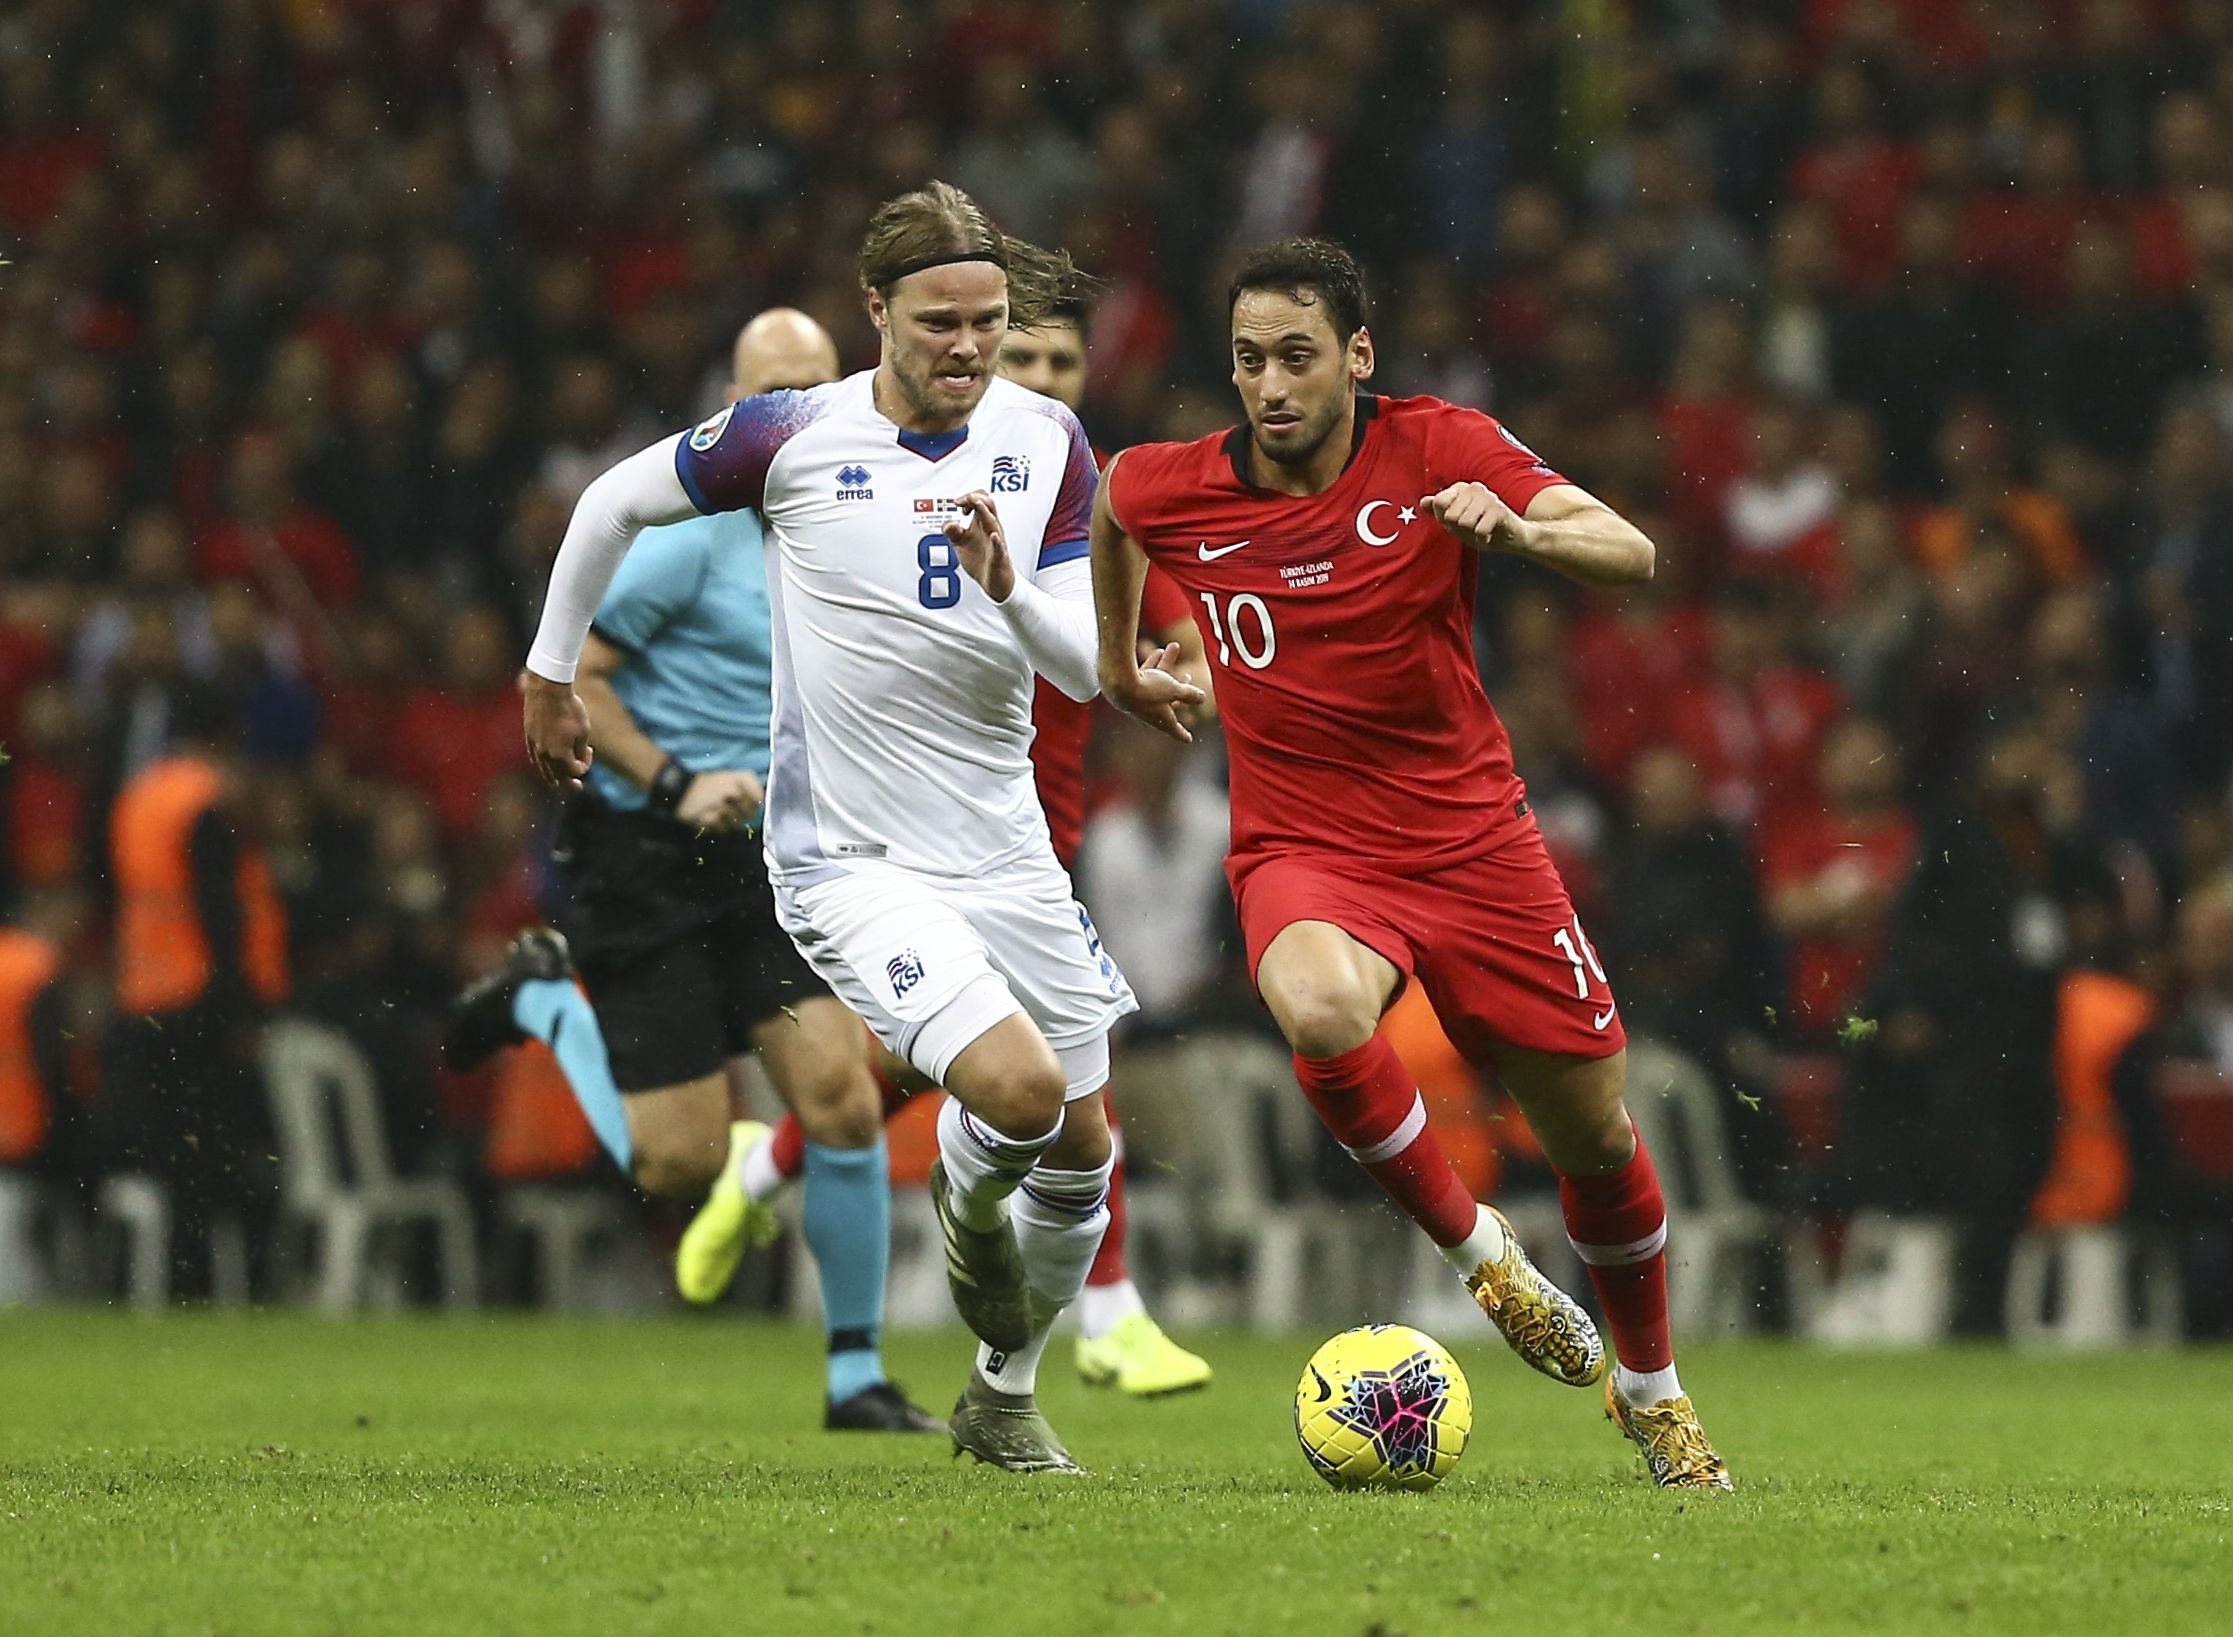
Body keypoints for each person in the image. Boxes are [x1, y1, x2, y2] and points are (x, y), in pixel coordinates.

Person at [521, 181, 1201, 1473]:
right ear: (876, 310)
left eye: (988, 322)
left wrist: (1035, 607)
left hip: (1004, 849)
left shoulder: (1049, 439)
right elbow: (610, 501)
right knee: (1017, 1092)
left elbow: (1070, 659)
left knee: (1083, 1147)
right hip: (849, 858)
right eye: (941, 321)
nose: (969, 346)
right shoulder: (789, 433)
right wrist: (550, 670)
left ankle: (1000, 1393)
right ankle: (960, 1202)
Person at [1090, 238, 1731, 1490]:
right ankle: (1482, 1254)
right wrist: (1121, 662)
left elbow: (1631, 551)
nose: (1270, 385)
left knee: (1595, 1135)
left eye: (1296, 356)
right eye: (1247, 360)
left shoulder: (1438, 444)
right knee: (1317, 1005)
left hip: (1472, 840)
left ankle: (1652, 1389)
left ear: (1357, 356)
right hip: (1305, 843)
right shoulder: (1181, 484)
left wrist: (1519, 529)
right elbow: (1114, 500)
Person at [445, 308, 939, 1434]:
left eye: (811, 390)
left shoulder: (856, 528)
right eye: (768, 394)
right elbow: (576, 681)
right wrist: (675, 782)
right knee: (675, 1164)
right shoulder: (683, 535)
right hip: (650, 856)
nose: (790, 416)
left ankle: (855, 1377)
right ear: (732, 408)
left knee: (842, 1099)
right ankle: (543, 999)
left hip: (774, 857)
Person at [728, 294, 1216, 1400]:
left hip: (1033, 834)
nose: (1035, 376)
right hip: (895, 839)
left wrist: (1160, 671)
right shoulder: (885, 477)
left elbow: (1190, 656)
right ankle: (1101, 1306)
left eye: (1058, 359)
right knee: (1006, 1078)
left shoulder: (1086, 501)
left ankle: (772, 1171)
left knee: (1022, 1078)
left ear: (1084, 378)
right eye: (1018, 353)